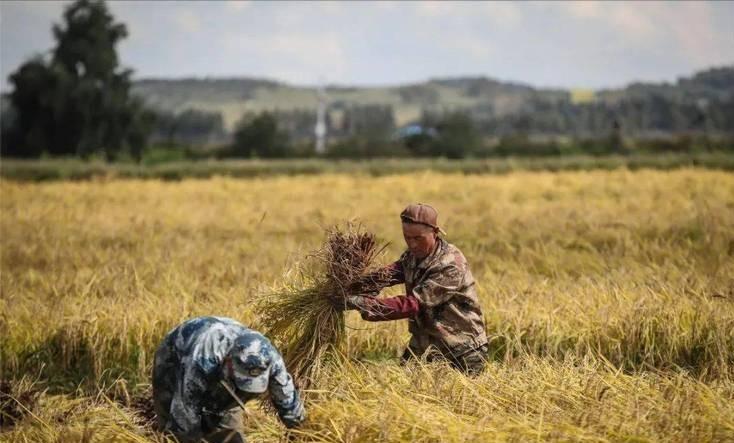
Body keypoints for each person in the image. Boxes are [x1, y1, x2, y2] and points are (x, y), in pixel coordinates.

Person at [341, 203, 488, 375]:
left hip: (461, 348)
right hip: (425, 345)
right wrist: (354, 285)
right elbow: (392, 273)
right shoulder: (413, 256)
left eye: (418, 238)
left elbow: (412, 304)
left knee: (459, 399)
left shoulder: (450, 265)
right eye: (407, 237)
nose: (412, 244)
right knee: (403, 390)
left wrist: (363, 303)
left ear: (435, 233)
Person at [152, 316, 305, 443]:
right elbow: (184, 417)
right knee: (175, 432)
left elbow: (289, 405)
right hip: (174, 358)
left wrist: (303, 434)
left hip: (220, 374)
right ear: (229, 362)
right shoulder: (202, 359)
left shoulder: (271, 360)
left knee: (230, 437)